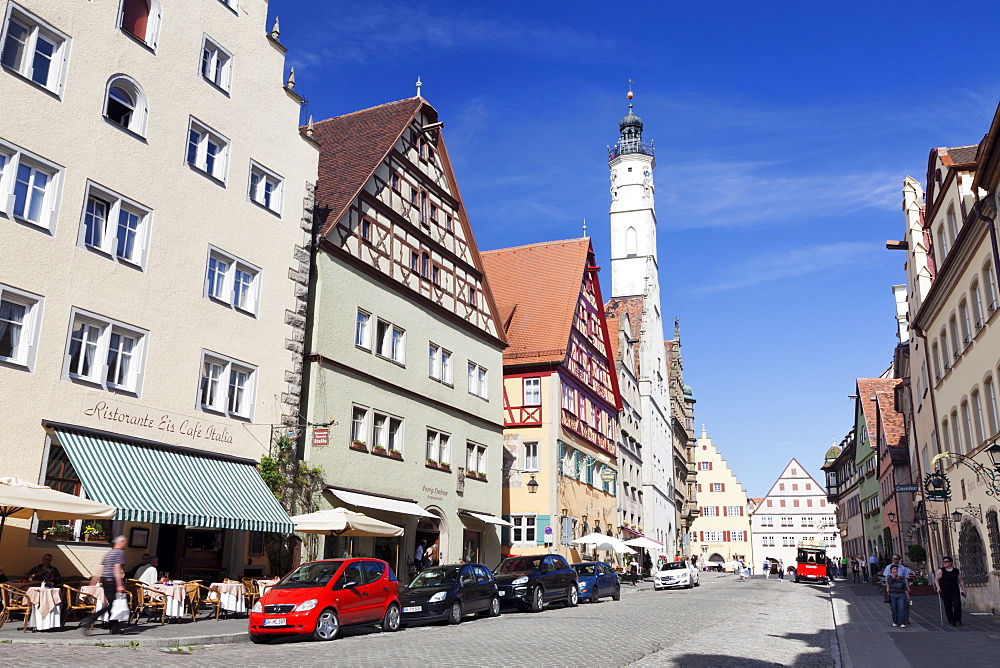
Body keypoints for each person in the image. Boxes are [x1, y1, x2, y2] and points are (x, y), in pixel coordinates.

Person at [79, 535, 127, 635]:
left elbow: (100, 568)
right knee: (113, 604)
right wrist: (119, 584)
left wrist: (93, 581)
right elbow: (117, 568)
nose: (125, 544)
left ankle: (113, 628)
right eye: (124, 542)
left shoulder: (109, 553)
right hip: (112, 580)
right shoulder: (119, 552)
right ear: (120, 542)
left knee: (112, 604)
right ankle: (90, 619)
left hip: (105, 580)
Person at [935, 556, 967, 626]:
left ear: (950, 562)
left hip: (954, 589)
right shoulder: (941, 571)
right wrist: (938, 588)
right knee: (948, 605)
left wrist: (964, 590)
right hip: (945, 590)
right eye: (943, 562)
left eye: (946, 562)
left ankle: (958, 619)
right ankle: (952, 621)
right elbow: (936, 580)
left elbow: (960, 581)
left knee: (957, 605)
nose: (944, 563)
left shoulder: (956, 571)